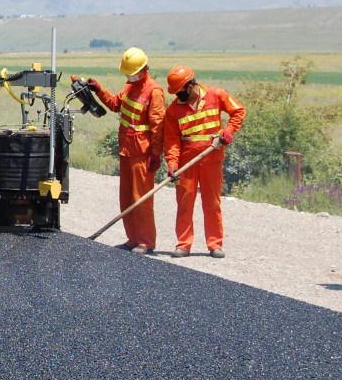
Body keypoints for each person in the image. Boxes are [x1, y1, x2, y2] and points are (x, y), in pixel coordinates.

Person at [85, 47, 166, 254]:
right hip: (127, 149)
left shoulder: (154, 92)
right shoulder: (130, 87)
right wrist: (99, 89)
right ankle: (132, 239)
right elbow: (114, 104)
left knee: (141, 199)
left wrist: (156, 155)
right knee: (127, 197)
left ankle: (146, 242)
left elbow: (157, 127)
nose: (129, 76)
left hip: (143, 152)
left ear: (144, 69)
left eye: (132, 72)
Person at [163, 65, 247, 258]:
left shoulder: (216, 95)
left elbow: (239, 111)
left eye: (180, 92)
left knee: (212, 203)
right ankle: (184, 244)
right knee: (185, 203)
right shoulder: (173, 111)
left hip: (211, 159)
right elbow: (172, 141)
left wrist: (228, 131)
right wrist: (173, 164)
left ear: (190, 85)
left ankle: (215, 244)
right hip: (186, 162)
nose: (178, 96)